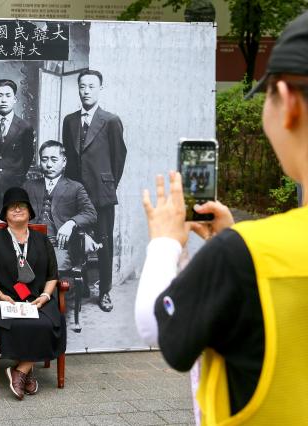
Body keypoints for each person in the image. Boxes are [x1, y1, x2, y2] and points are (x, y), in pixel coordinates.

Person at [135, 11, 308, 424]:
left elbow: (159, 329)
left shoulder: (245, 257)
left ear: (288, 103)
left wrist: (165, 242)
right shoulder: (241, 253)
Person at [0, 187, 67, 400]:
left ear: (29, 211)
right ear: (5, 213)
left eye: (22, 205)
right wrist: (0, 295)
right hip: (5, 299)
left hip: (37, 299)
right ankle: (26, 372)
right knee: (19, 323)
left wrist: (45, 296)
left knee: (48, 322)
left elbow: (52, 275)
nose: (17, 209)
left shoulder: (42, 240)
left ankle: (20, 370)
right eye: (12, 206)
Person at [62, 69, 127, 312]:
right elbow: (67, 157)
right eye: (82, 86)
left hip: (102, 194)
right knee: (77, 240)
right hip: (76, 193)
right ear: (78, 89)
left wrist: (108, 186)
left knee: (103, 242)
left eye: (91, 86)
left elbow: (119, 157)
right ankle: (82, 286)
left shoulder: (110, 120)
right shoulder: (69, 121)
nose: (86, 91)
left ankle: (105, 291)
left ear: (100, 89)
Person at [22, 140, 98, 273]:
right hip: (29, 243)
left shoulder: (75, 187)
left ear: (64, 162)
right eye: (44, 159)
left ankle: (44, 294)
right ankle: (24, 294)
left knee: (49, 269)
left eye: (54, 159)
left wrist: (71, 223)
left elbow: (90, 213)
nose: (49, 164)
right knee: (14, 268)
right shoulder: (28, 186)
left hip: (59, 246)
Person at [0, 79, 35, 209]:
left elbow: (27, 157)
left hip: (15, 186)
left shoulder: (25, 127)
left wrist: (15, 175)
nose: (4, 100)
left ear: (14, 99)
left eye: (8, 95)